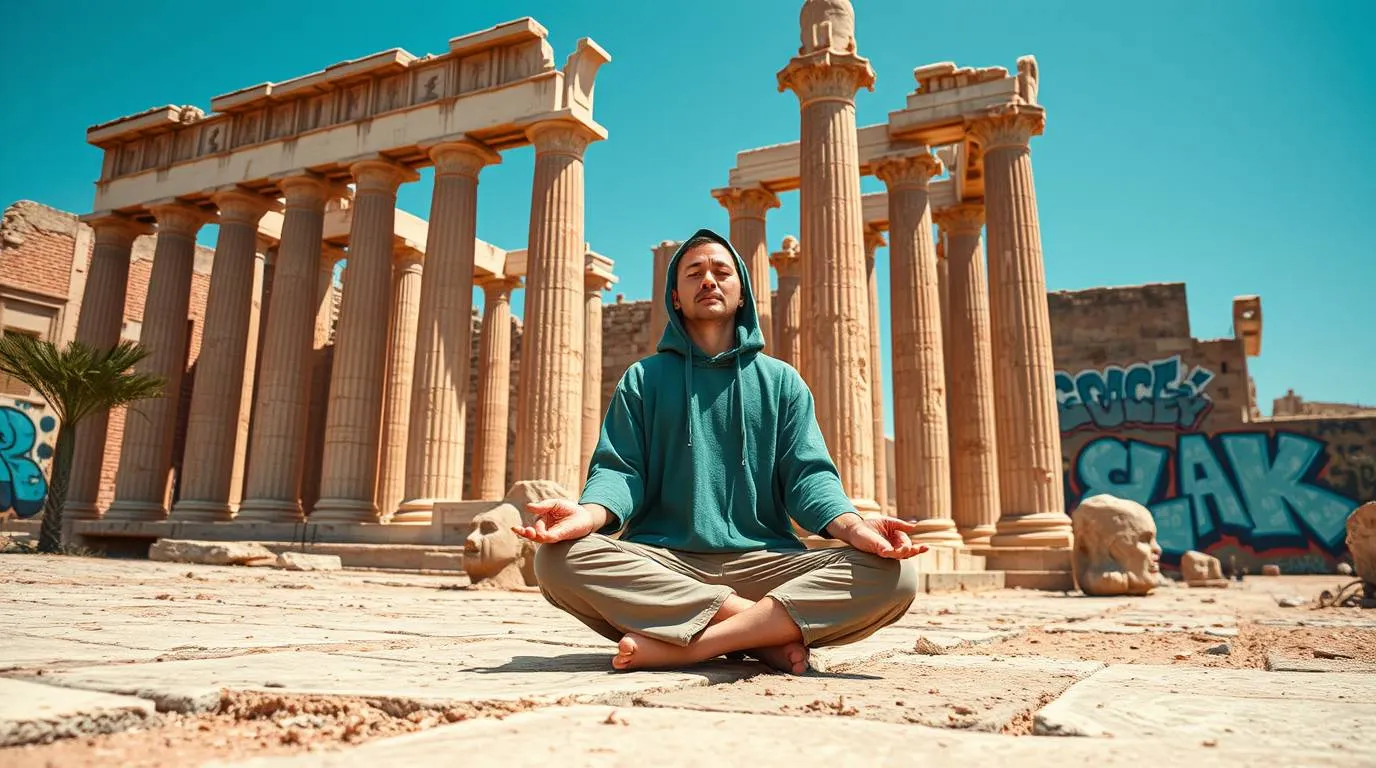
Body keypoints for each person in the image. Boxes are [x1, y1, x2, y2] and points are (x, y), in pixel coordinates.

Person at [516, 229, 925, 675]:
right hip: (665, 565)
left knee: (895, 575)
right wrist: (586, 515)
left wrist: (854, 526)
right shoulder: (643, 379)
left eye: (721, 272)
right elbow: (620, 471)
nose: (708, 280)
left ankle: (692, 646)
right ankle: (763, 632)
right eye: (694, 273)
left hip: (767, 562)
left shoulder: (782, 382)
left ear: (742, 291)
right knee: (556, 560)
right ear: (676, 297)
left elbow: (809, 478)